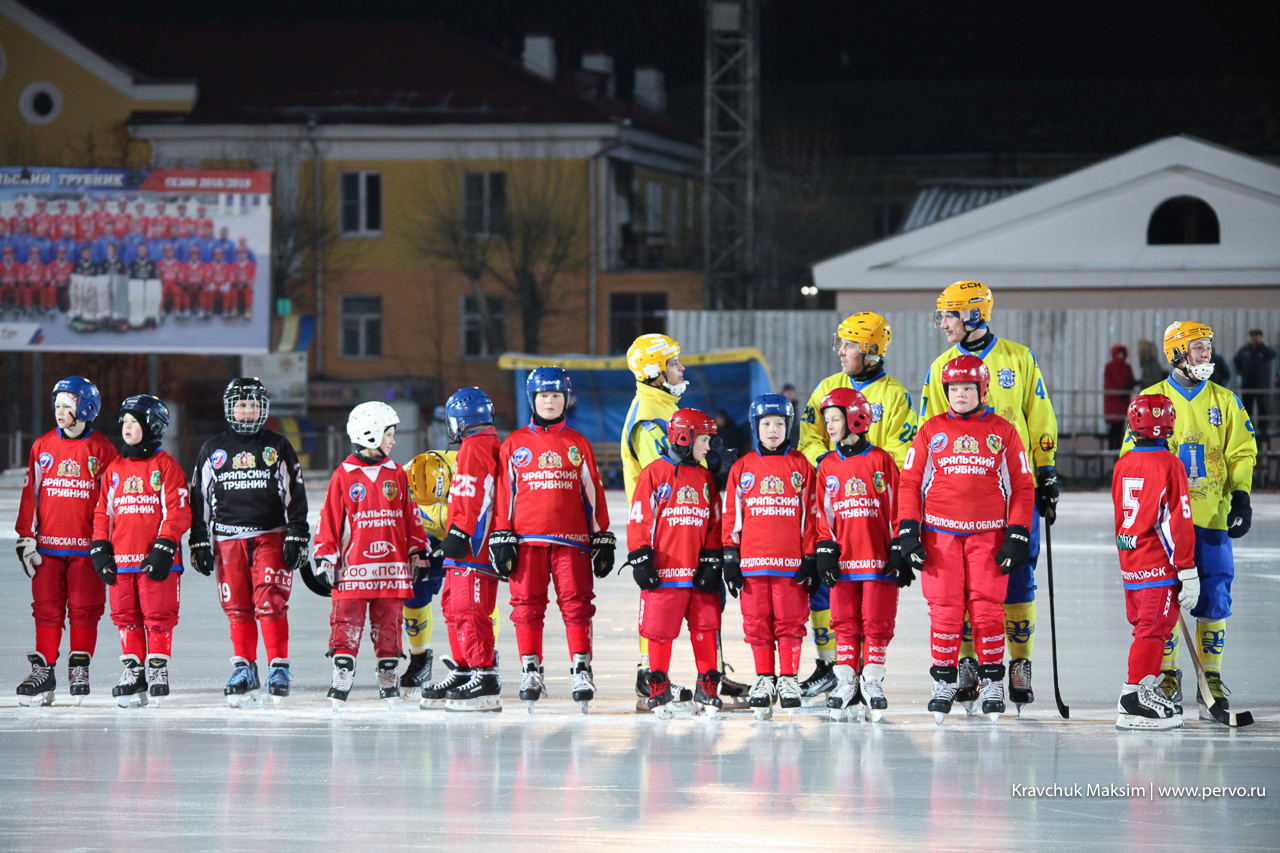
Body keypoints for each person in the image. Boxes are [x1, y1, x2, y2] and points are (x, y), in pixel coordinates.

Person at [920, 281, 1057, 713]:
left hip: (1012, 494)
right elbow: (930, 430)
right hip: (958, 501)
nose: (943, 324)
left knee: (1014, 578)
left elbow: (1038, 414)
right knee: (957, 585)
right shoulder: (942, 364)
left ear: (974, 315)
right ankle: (965, 663)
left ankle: (1018, 664)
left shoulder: (1019, 358)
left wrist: (1047, 470)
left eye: (950, 315)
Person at [1122, 321, 1257, 719]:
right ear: (1177, 353)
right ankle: (1168, 675)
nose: (1206, 355)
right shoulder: (1150, 400)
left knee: (1214, 597)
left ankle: (1209, 676)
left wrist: (1242, 496)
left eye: (1207, 348)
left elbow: (1242, 452)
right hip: (1163, 528)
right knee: (1166, 601)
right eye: (1198, 348)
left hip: (1211, 518)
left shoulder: (1225, 400)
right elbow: (1133, 464)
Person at [898, 355, 1036, 723]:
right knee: (944, 608)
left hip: (988, 534)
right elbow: (910, 482)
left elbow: (1022, 485)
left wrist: (1017, 532)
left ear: (982, 390)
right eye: (954, 388)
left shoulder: (1003, 431)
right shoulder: (930, 430)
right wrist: (908, 529)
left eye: (967, 388)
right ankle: (943, 680)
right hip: (940, 535)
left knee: (988, 608)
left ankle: (993, 680)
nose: (960, 395)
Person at [798, 312, 918, 699]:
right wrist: (829, 466)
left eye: (849, 345)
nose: (841, 352)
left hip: (872, 512)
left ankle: (869, 674)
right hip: (833, 507)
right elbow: (809, 437)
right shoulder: (827, 388)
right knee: (830, 590)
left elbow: (902, 456)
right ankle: (832, 666)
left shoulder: (895, 395)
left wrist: (864, 472)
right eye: (841, 343)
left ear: (870, 351)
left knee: (875, 597)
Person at [492, 367, 613, 713]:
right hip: (527, 540)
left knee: (576, 604)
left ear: (566, 400)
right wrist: (502, 534)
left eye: (556, 396)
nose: (549, 401)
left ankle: (581, 667)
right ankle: (531, 669)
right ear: (532, 399)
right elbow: (505, 493)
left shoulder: (577, 443)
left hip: (571, 539)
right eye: (543, 396)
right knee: (526, 605)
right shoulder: (514, 443)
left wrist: (601, 535)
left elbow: (593, 491)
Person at [188, 378, 310, 708]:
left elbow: (295, 493)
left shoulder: (278, 445)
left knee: (269, 600)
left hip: (270, 534)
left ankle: (278, 667)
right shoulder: (213, 448)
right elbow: (198, 497)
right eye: (241, 405)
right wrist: (199, 539)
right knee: (238, 607)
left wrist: (298, 533)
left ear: (263, 408)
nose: (247, 411)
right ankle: (244, 666)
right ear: (230, 409)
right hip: (227, 539)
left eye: (253, 405)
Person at [313, 402, 429, 709]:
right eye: (388, 434)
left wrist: (419, 551)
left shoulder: (397, 474)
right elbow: (329, 519)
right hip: (353, 569)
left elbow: (410, 516)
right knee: (345, 621)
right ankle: (342, 671)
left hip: (390, 568)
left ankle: (388, 673)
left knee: (388, 623)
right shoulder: (344, 475)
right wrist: (325, 555)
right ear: (370, 434)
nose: (392, 441)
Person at [14, 377, 117, 706]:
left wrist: (108, 542)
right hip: (48, 548)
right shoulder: (42, 446)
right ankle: (44, 668)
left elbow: (111, 504)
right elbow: (31, 495)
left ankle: (79, 667)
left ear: (85, 408)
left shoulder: (102, 450)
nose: (59, 412)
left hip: (87, 550)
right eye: (56, 406)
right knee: (46, 610)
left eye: (66, 406)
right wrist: (25, 537)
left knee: (85, 610)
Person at [722, 393, 819, 720]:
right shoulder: (742, 468)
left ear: (788, 426)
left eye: (779, 423)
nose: (773, 429)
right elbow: (731, 517)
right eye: (766, 424)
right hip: (753, 564)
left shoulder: (801, 466)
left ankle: (789, 679)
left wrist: (810, 556)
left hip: (791, 565)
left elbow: (812, 515)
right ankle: (765, 677)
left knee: (791, 622)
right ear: (755, 427)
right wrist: (731, 557)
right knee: (757, 622)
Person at [91, 396, 191, 708]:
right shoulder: (114, 469)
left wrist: (164, 546)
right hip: (122, 562)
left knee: (158, 616)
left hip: (156, 562)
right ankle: (134, 671)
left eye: (135, 422)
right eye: (125, 422)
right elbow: (103, 514)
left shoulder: (166, 466)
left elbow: (178, 511)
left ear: (153, 426)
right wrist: (100, 548)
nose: (128, 427)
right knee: (125, 617)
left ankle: (158, 669)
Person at [814, 387, 904, 722]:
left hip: (878, 559)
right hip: (844, 559)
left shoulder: (881, 460)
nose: (831, 426)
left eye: (836, 418)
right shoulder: (827, 466)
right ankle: (846, 679)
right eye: (827, 420)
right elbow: (822, 513)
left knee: (877, 621)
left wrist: (898, 546)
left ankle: (872, 679)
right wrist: (825, 547)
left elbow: (898, 506)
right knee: (844, 620)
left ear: (856, 418)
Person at [628, 408, 724, 718]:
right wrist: (641, 556)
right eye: (705, 440)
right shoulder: (654, 473)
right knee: (658, 630)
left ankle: (708, 685)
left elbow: (714, 521)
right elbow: (640, 517)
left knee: (707, 626)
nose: (708, 448)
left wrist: (711, 560)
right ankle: (658, 685)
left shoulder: (706, 475)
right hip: (665, 573)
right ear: (686, 437)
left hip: (698, 573)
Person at [1111, 394, 1194, 729]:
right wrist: (1187, 569)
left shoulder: (1123, 462)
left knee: (1144, 627)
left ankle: (1143, 688)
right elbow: (1178, 520)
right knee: (1153, 630)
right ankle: (1134, 696)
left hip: (1131, 561)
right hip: (1159, 564)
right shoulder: (1171, 464)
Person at [425, 387, 504, 712]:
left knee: (470, 609)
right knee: (452, 605)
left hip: (475, 545)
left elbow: (475, 493)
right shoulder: (481, 444)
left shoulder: (476, 447)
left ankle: (484, 673)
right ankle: (464, 667)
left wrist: (459, 532)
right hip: (465, 543)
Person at [1233, 330, 1276, 439]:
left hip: (1262, 385)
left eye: (1257, 336)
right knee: (1247, 408)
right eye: (1253, 336)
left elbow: (1272, 355)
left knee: (1263, 407)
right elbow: (1237, 362)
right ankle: (1248, 429)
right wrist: (1242, 373)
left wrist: (1261, 345)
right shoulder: (1245, 350)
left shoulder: (1265, 350)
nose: (1255, 339)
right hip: (1248, 384)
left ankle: (1263, 430)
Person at [1103, 344, 1139, 450]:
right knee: (1114, 427)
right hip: (1115, 402)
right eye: (1119, 353)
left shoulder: (1126, 368)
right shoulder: (1110, 367)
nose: (1120, 356)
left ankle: (1117, 447)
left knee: (1120, 427)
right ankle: (1112, 447)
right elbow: (1108, 384)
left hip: (1121, 403)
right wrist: (1121, 392)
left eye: (1122, 353)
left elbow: (1130, 381)